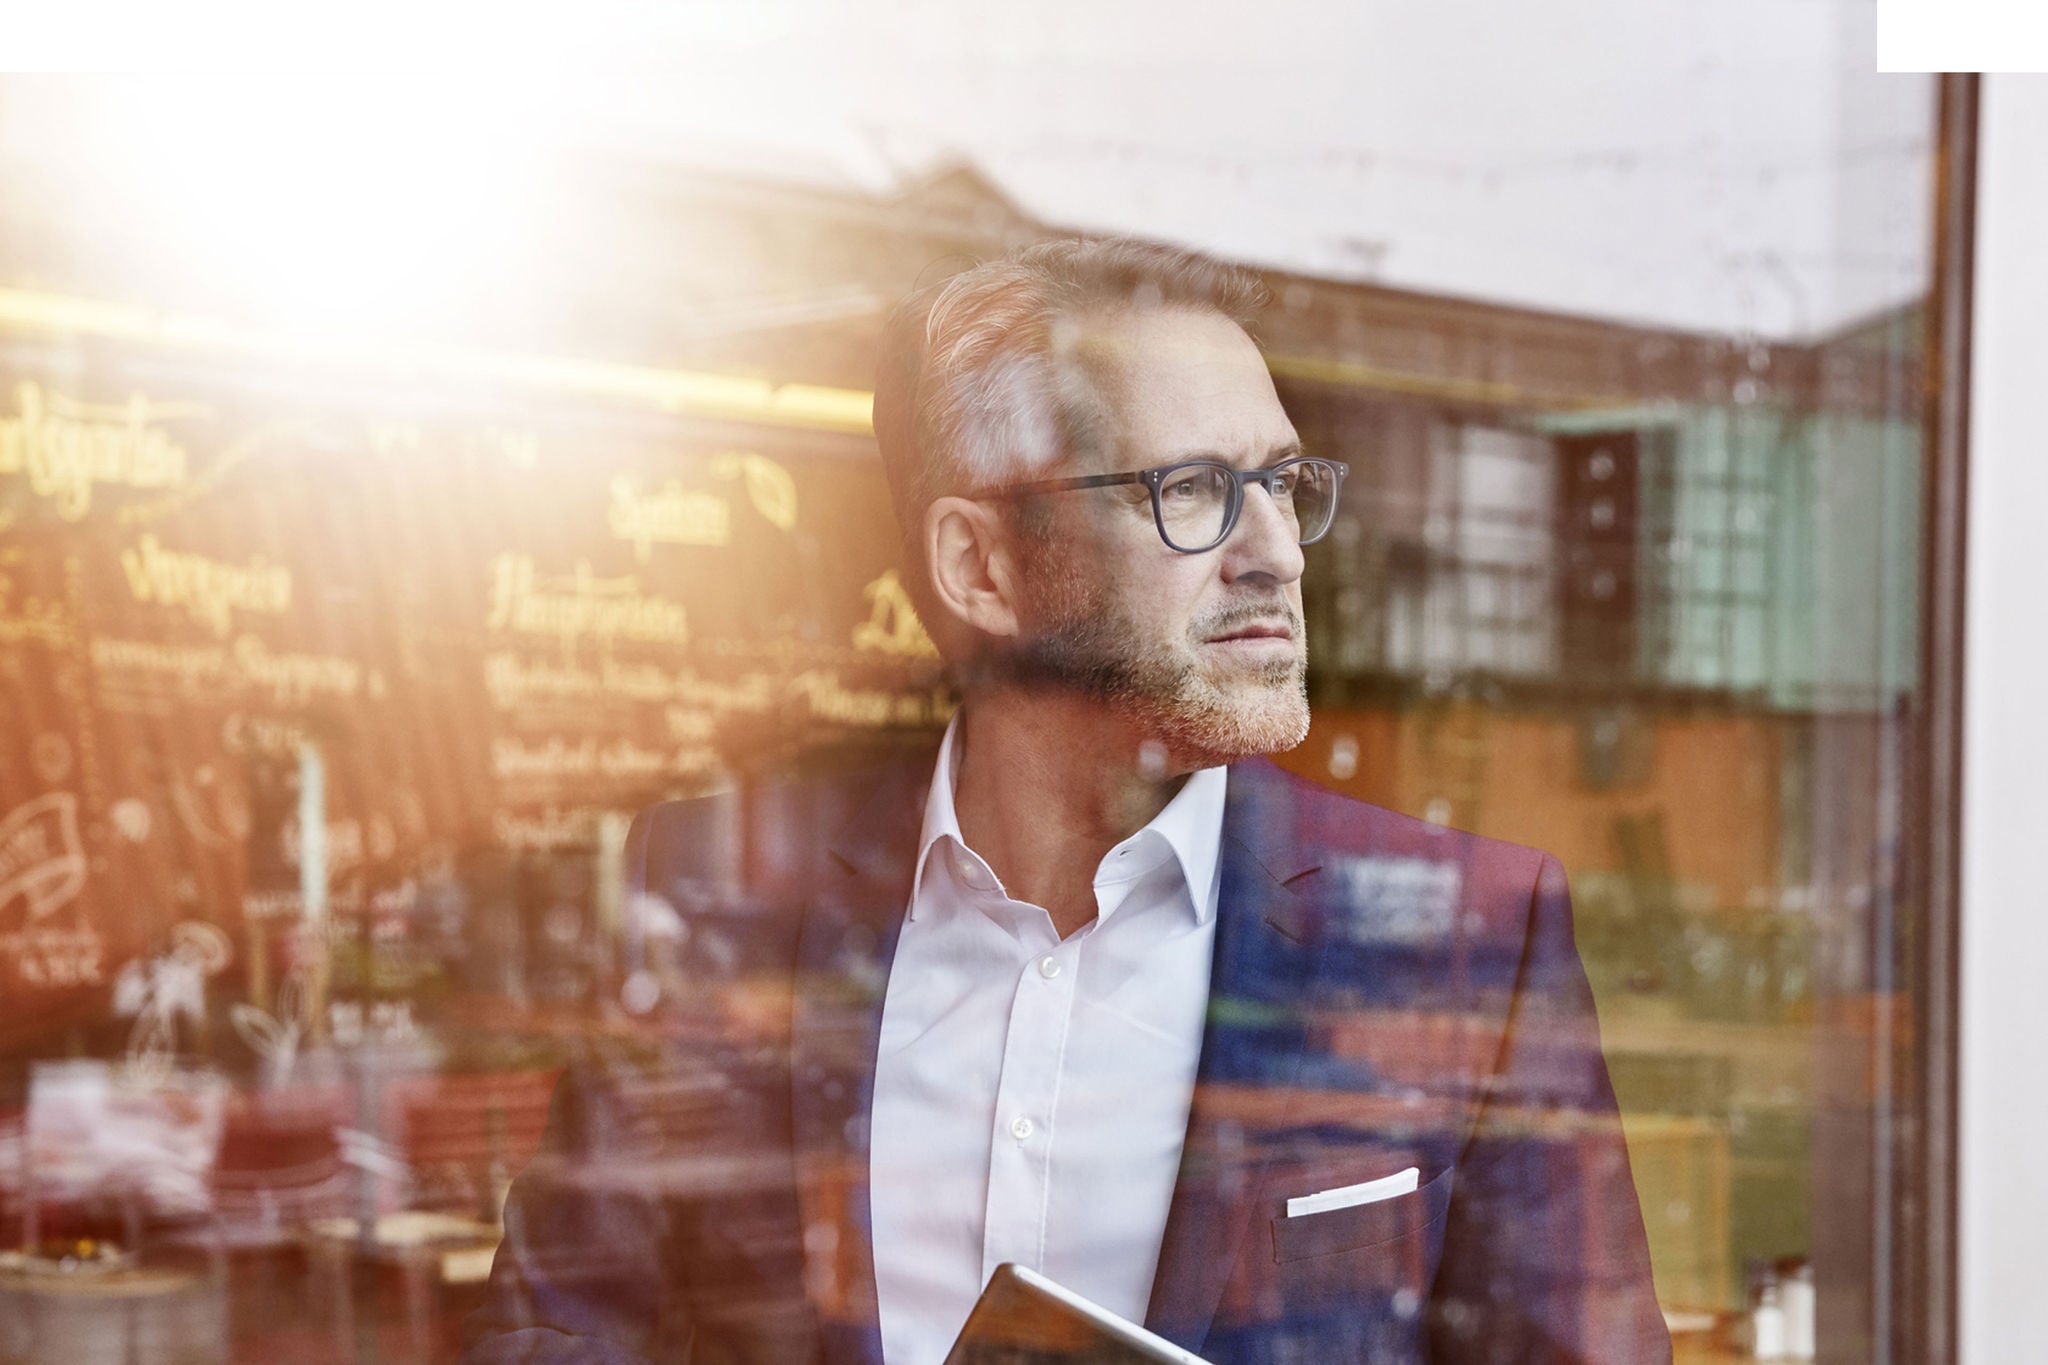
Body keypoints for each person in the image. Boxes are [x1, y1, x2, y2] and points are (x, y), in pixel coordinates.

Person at [464, 239, 1671, 1365]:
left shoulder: (1470, 935)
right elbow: (558, 1333)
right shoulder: (719, 889)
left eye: (1284, 484)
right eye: (1193, 489)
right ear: (982, 567)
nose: (1278, 553)